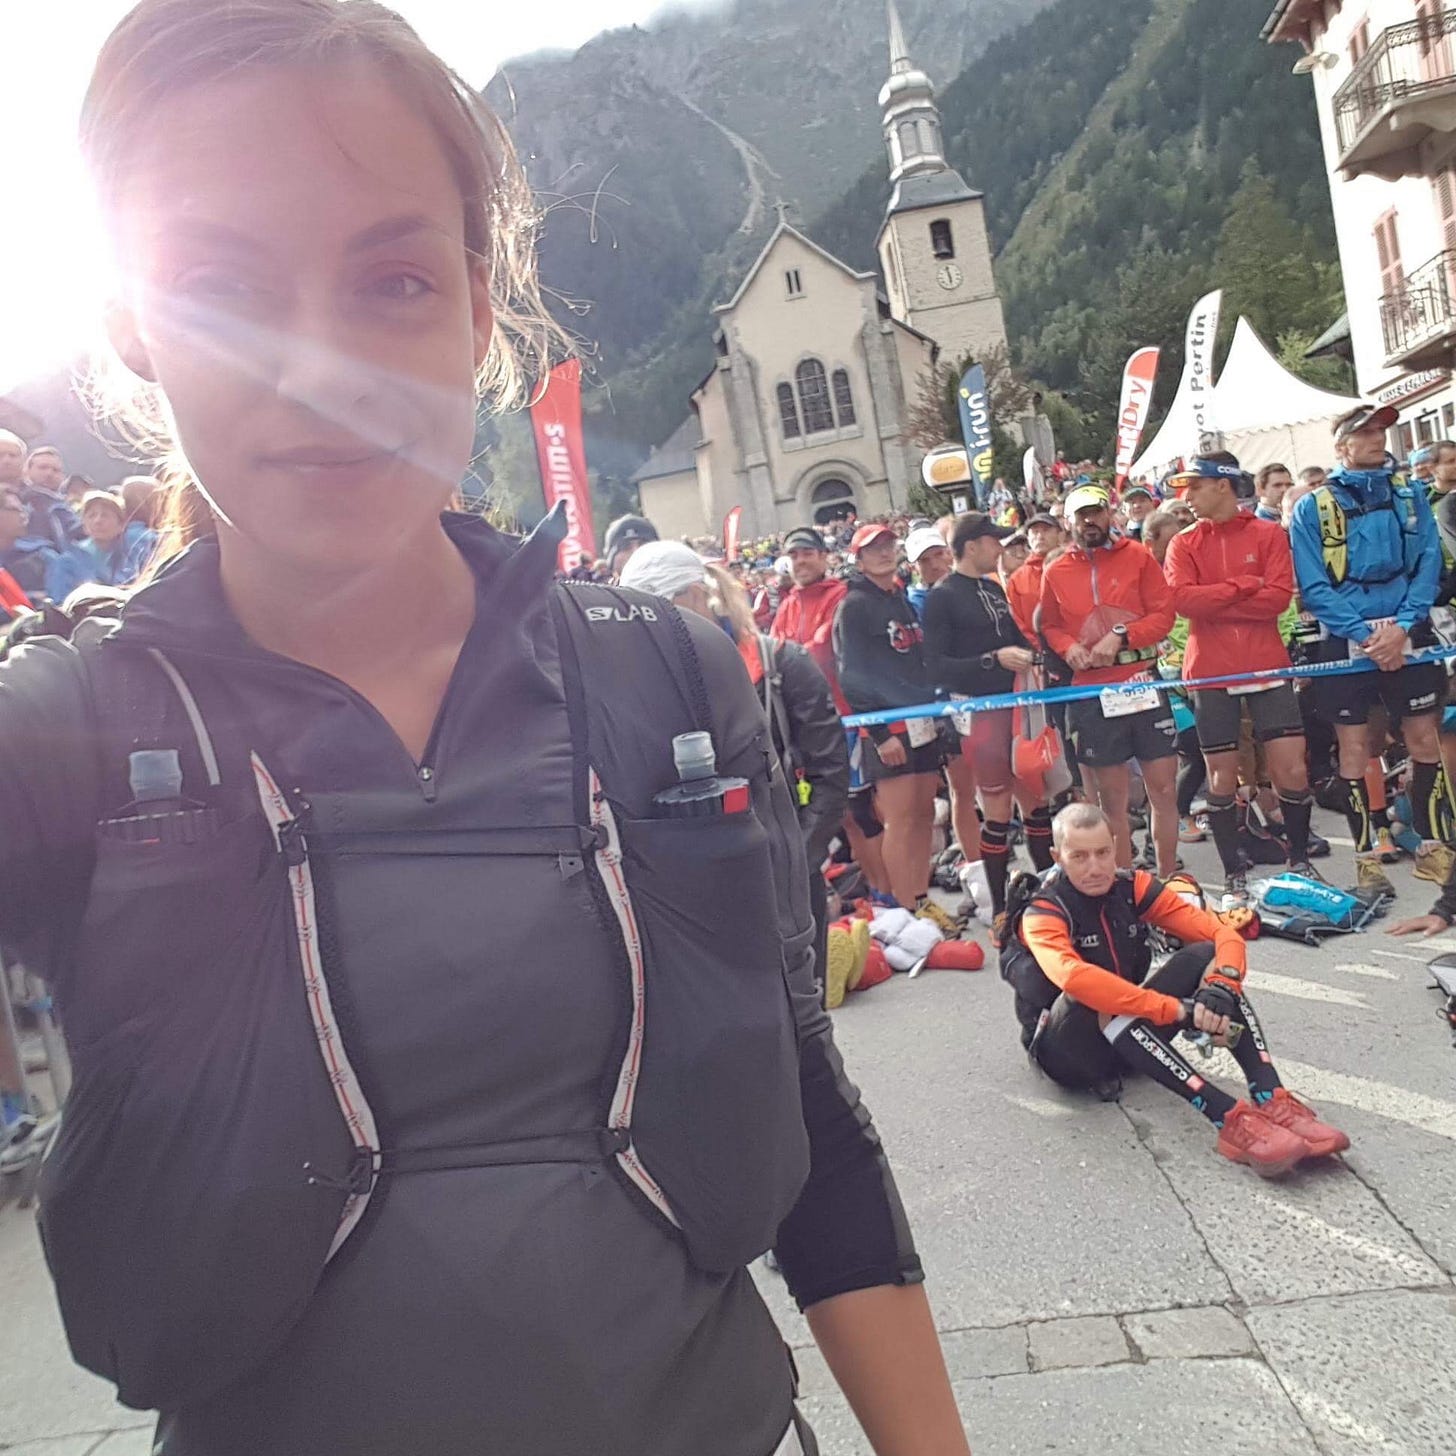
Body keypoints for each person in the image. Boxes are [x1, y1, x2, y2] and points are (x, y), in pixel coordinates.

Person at [0, 5, 971, 1453]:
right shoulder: (64, 733)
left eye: (389, 277)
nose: (318, 365)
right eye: (223, 283)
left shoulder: (679, 681)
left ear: (473, 307)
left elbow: (812, 1130)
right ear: (134, 323)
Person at [1005, 804, 1350, 1174]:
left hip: (1128, 1032)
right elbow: (1074, 978)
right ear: (1058, 857)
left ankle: (1271, 1096)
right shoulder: (1041, 911)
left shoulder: (1132, 886)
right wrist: (1176, 1010)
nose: (1095, 868)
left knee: (1204, 956)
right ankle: (1227, 1118)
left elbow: (1221, 934)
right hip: (1068, 1052)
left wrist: (1221, 987)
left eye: (1103, 852)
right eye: (1080, 857)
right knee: (1094, 991)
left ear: (1116, 845)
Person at [621, 541, 851, 994]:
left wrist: (798, 857)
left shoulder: (782, 664)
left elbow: (830, 774)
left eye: (661, 607)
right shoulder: (646, 684)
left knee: (805, 1025)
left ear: (696, 596)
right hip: (701, 892)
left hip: (781, 877)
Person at [1290, 403, 1452, 893]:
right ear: (1341, 446)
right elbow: (1313, 585)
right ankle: (1367, 859)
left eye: (1382, 428)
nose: (1378, 436)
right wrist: (1366, 635)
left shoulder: (1409, 496)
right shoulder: (1312, 506)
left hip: (1407, 632)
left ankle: (1434, 846)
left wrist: (1402, 627)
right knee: (1355, 748)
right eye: (1364, 431)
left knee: (1425, 739)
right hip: (1346, 638)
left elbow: (1428, 564)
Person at [1164, 457, 1317, 896]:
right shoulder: (1183, 543)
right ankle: (1234, 874)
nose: (1186, 497)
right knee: (1220, 778)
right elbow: (1185, 602)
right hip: (1209, 670)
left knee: (1291, 768)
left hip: (1266, 663)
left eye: (1194, 487)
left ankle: (1301, 861)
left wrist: (1221, 600)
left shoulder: (1269, 533)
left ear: (1223, 487)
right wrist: (1241, 586)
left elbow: (1274, 602)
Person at [1037, 484, 1180, 874]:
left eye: (1096, 512)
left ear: (1109, 514)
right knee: (1112, 802)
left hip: (1142, 681)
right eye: (1081, 515)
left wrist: (1121, 634)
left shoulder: (1137, 556)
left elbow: (1164, 615)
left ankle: (1167, 878)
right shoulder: (1055, 570)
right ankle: (1125, 884)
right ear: (1068, 522)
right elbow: (1048, 624)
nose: (1089, 521)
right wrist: (1068, 648)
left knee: (1164, 790)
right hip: (1093, 690)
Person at [922, 512, 1054, 925]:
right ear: (972, 545)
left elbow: (1015, 637)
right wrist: (991, 660)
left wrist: (1035, 656)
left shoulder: (993, 587)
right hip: (981, 714)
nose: (1000, 548)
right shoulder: (941, 597)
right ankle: (998, 909)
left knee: (1037, 801)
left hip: (1017, 705)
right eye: (993, 541)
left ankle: (1052, 897)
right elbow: (935, 666)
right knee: (997, 809)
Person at [834, 521, 959, 932]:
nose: (884, 553)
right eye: (874, 549)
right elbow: (852, 674)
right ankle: (902, 907)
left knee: (924, 812)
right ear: (859, 558)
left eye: (888, 545)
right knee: (900, 818)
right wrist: (881, 733)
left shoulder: (899, 596)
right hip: (890, 723)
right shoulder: (855, 605)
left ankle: (919, 898)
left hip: (921, 715)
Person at [45, 490, 157, 601]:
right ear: (84, 525)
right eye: (91, 515)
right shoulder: (67, 562)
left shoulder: (135, 555)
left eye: (105, 515)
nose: (98, 521)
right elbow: (59, 602)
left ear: (121, 525)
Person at [1004, 513, 1062, 640]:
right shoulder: (1017, 579)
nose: (1040, 536)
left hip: (1075, 647)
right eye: (1035, 532)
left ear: (1060, 535)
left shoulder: (1072, 566)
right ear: (1028, 539)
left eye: (1046, 530)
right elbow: (1017, 622)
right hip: (1039, 651)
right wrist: (1036, 648)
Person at [0, 484, 58, 603]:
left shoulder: (42, 554)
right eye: (15, 510)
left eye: (23, 510)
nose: (23, 516)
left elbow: (58, 596)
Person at [19, 445, 82, 553]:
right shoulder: (17, 503)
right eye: (43, 467)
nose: (49, 473)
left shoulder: (64, 508)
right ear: (27, 470)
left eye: (56, 470)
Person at [903, 524, 951, 619]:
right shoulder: (915, 604)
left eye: (939, 554)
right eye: (924, 560)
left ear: (949, 553)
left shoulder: (974, 583)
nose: (934, 565)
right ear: (913, 568)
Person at [601, 512, 658, 579]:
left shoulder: (672, 586)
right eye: (625, 546)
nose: (636, 552)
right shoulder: (596, 589)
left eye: (644, 545)